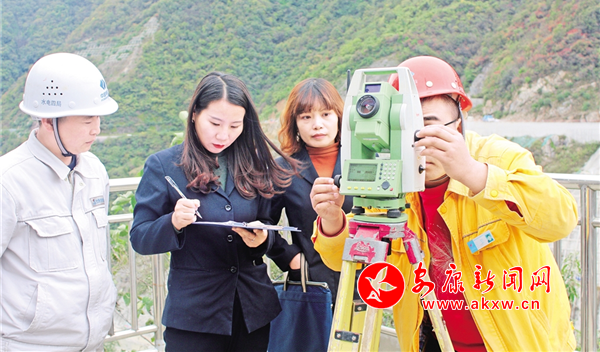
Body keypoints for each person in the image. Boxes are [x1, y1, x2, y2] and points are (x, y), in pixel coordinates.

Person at [311, 56, 578, 351]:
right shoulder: (392, 178)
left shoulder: (498, 157)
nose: (417, 141)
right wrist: (332, 220)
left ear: (458, 123)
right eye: (404, 127)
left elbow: (560, 220)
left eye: (428, 126)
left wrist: (474, 174)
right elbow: (349, 259)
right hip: (433, 340)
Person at [130, 72, 299, 352]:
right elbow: (140, 237)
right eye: (215, 123)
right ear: (195, 114)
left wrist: (262, 238)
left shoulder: (254, 164)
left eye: (235, 126)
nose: (224, 135)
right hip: (195, 316)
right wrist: (173, 222)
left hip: (252, 312)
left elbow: (267, 223)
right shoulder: (164, 165)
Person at [1, 53, 119, 351]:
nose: (96, 129)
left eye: (98, 118)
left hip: (92, 342)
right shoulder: (9, 181)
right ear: (47, 120)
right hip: (30, 345)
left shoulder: (94, 170)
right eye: (87, 119)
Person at [267, 78, 353, 303]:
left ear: (339, 117)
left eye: (326, 114)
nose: (317, 124)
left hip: (364, 282)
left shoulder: (362, 161)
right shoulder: (283, 169)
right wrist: (291, 259)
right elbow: (264, 225)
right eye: (306, 117)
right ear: (294, 123)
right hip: (310, 284)